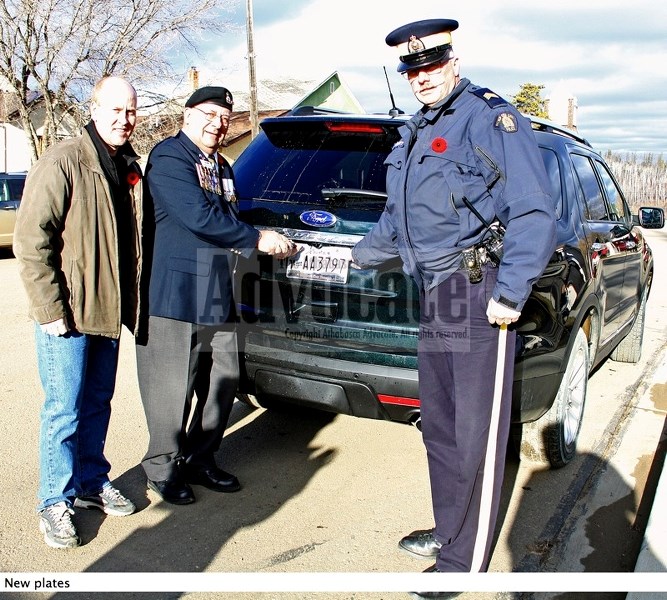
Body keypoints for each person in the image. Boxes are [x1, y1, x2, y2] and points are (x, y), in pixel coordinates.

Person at [351, 18, 557, 592]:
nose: (422, 76)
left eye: (431, 64)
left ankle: (461, 566)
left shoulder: (491, 120)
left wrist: (510, 292)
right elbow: (398, 223)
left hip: (478, 293)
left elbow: (533, 210)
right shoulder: (416, 134)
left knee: (477, 434)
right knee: (439, 427)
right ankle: (451, 531)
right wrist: (348, 256)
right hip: (436, 297)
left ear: (453, 62)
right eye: (412, 69)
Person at [136, 85, 295, 505]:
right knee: (171, 389)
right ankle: (161, 469)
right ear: (187, 115)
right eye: (208, 114)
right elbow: (198, 216)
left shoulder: (221, 165)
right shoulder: (170, 157)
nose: (217, 123)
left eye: (224, 117)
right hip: (174, 295)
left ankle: (201, 459)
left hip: (216, 290)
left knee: (220, 382)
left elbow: (228, 214)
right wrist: (257, 238)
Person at [14, 76, 142, 549]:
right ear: (94, 109)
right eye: (114, 110)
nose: (124, 120)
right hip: (66, 316)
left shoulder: (127, 165)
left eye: (130, 111)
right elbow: (31, 241)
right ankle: (54, 500)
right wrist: (48, 308)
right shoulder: (65, 159)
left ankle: (90, 481)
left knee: (96, 405)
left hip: (107, 314)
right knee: (63, 412)